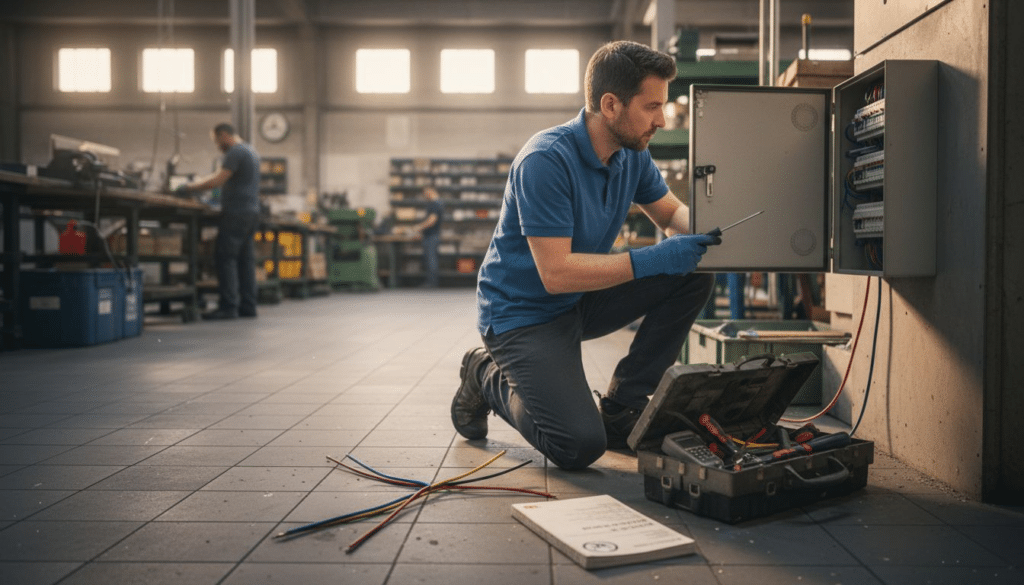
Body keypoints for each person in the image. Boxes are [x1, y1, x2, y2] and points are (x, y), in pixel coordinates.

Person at [450, 41, 721, 471]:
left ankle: (621, 407)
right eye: (652, 106)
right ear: (610, 105)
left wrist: (717, 228)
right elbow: (556, 273)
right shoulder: (545, 161)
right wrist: (654, 258)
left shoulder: (631, 155)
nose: (661, 119)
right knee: (577, 446)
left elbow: (671, 213)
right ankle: (485, 374)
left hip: (577, 300)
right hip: (523, 313)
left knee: (695, 273)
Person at [177, 123, 262, 320]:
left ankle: (229, 307)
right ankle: (248, 306)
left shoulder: (235, 152)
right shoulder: (251, 151)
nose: (217, 146)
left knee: (226, 257)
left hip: (236, 212)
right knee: (245, 261)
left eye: (217, 141)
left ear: (224, 135)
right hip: (251, 212)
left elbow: (217, 180)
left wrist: (189, 187)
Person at [413, 186, 443, 288]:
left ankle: (432, 283)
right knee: (430, 259)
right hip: (432, 235)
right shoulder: (437, 203)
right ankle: (431, 282)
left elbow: (431, 220)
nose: (425, 196)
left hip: (431, 236)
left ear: (431, 191)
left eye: (425, 193)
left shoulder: (435, 204)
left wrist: (418, 227)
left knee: (431, 260)